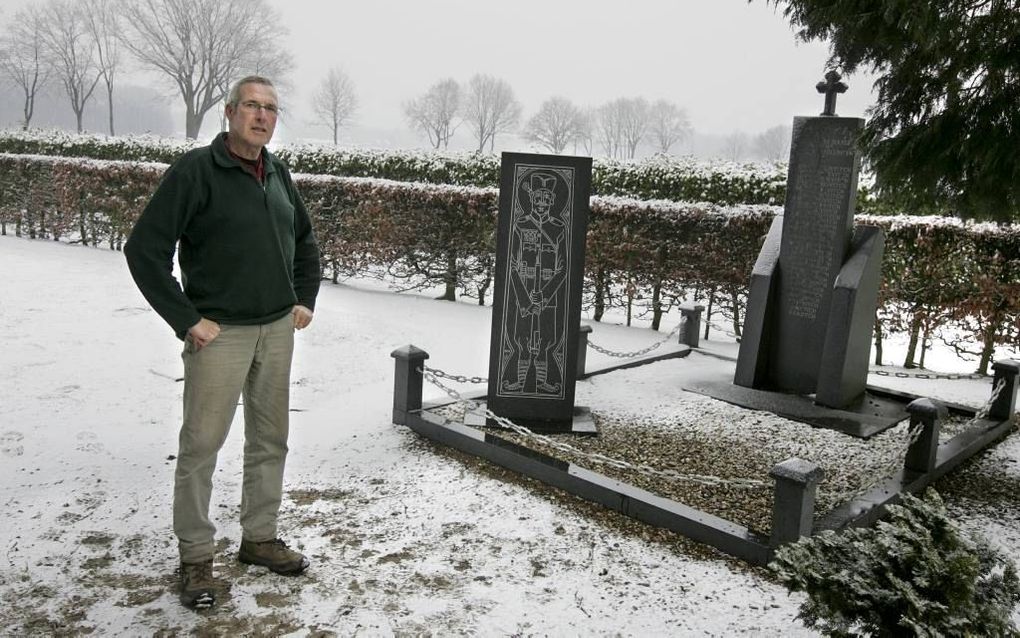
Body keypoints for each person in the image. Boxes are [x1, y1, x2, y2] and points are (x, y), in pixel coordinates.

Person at [124, 75, 320, 609]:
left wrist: (304, 298)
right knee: (201, 448)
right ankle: (195, 560)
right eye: (253, 106)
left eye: (271, 109)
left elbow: (304, 240)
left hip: (277, 330)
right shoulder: (196, 171)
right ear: (230, 113)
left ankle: (259, 539)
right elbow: (144, 250)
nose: (262, 116)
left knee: (270, 440)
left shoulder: (277, 173)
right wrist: (187, 319)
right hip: (220, 335)